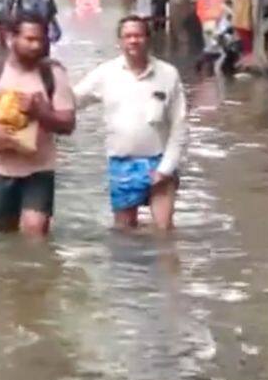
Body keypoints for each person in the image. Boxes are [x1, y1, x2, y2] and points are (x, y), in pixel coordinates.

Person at [0, 13, 76, 237]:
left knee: (35, 230)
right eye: (29, 39)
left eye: (41, 40)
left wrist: (40, 112)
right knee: (4, 234)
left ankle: (37, 270)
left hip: (40, 168)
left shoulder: (54, 74)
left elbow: (68, 124)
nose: (36, 45)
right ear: (12, 37)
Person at [74, 15, 187, 231]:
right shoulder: (106, 73)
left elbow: (179, 127)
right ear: (120, 41)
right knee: (124, 232)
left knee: (164, 231)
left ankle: (164, 263)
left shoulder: (168, 74)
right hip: (121, 163)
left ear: (148, 39)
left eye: (138, 35)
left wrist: (166, 168)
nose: (133, 41)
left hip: (159, 160)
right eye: (127, 36)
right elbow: (74, 99)